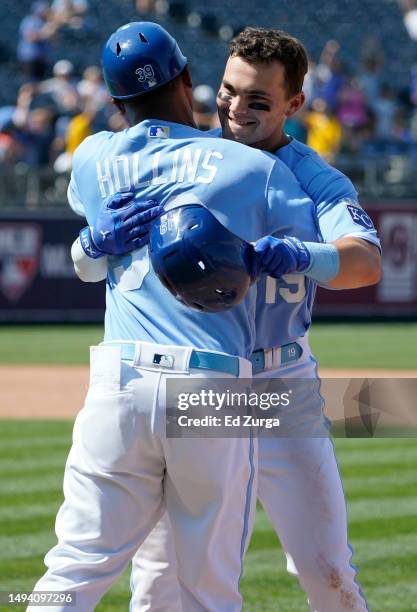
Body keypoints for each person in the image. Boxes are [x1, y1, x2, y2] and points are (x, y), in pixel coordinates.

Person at [75, 27, 381, 611]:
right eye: (228, 91)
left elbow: (364, 263)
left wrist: (302, 254)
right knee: (161, 574)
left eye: (258, 100)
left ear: (294, 104)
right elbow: (100, 246)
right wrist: (88, 246)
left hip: (279, 386)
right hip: (209, 385)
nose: (236, 109)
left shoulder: (312, 178)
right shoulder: (182, 156)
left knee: (327, 570)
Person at [28, 22, 322, 612]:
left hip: (120, 381)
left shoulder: (90, 159)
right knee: (206, 588)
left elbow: (93, 251)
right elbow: (333, 253)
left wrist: (90, 243)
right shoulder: (250, 168)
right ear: (189, 80)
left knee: (74, 570)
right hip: (213, 385)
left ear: (115, 103)